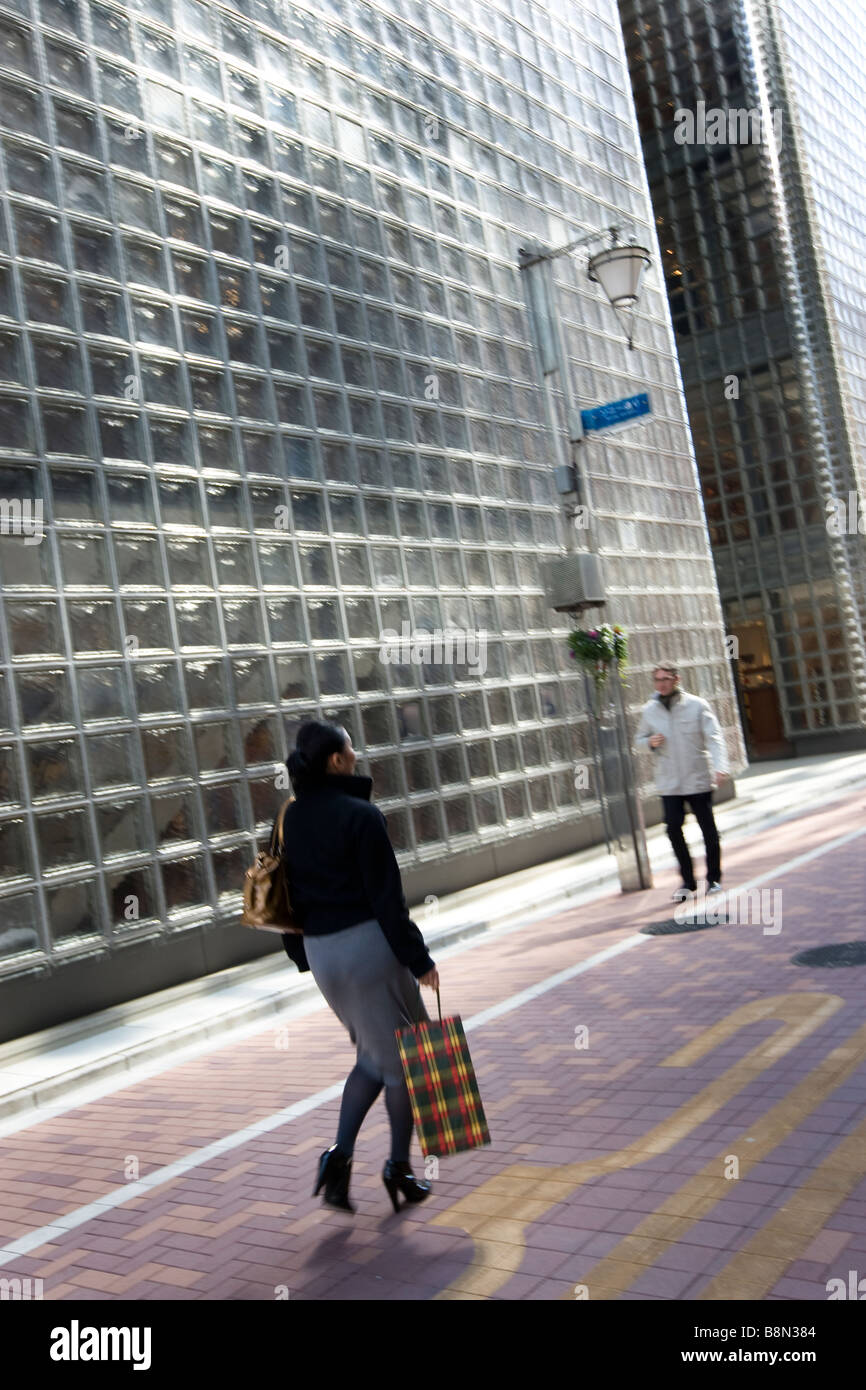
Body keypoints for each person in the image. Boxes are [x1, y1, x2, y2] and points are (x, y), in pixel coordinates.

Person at [272, 720, 439, 1215]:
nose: (356, 751)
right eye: (349, 747)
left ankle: (338, 1162)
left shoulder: (290, 818)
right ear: (335, 761)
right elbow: (388, 901)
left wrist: (303, 957)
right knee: (407, 1064)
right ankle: (397, 1170)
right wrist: (419, 959)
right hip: (368, 950)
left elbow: (286, 898)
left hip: (325, 957)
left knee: (375, 1057)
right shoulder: (362, 815)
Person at [635, 662, 729, 902]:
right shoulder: (649, 710)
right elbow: (638, 741)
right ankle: (687, 881)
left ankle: (714, 879)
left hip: (696, 777)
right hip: (669, 782)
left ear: (677, 679)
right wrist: (649, 743)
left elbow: (714, 737)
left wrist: (720, 767)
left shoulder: (697, 706)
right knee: (673, 829)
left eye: (666, 679)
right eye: (657, 680)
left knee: (708, 830)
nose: (662, 684)